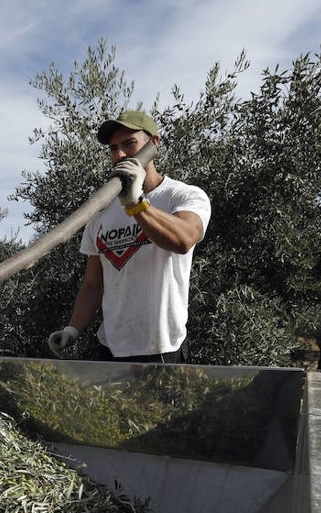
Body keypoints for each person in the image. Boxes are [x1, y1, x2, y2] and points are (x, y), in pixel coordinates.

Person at [48, 109, 211, 363]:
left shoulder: (182, 196)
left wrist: (136, 204)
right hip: (111, 348)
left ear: (154, 143)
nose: (120, 155)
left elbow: (184, 239)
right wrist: (73, 328)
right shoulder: (101, 213)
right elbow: (93, 285)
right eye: (113, 148)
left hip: (161, 349)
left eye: (129, 143)